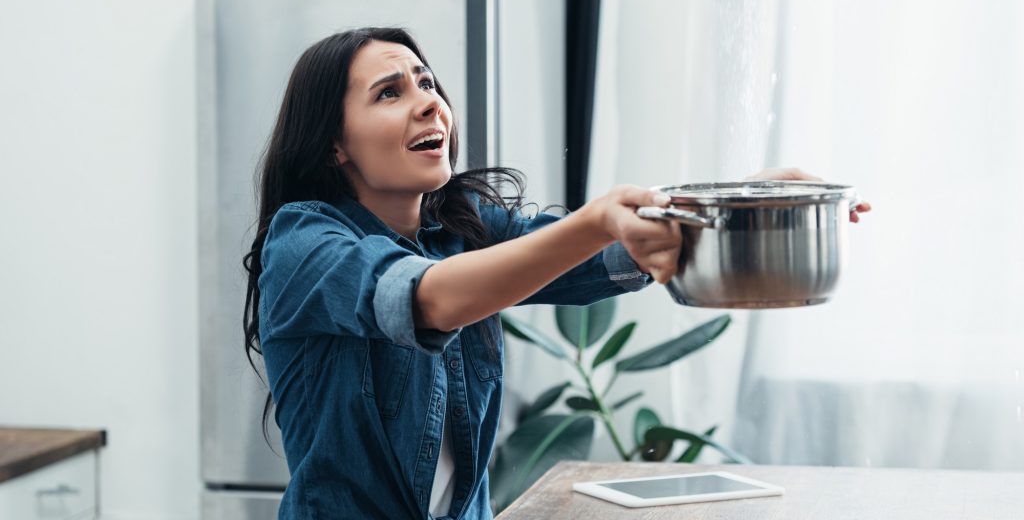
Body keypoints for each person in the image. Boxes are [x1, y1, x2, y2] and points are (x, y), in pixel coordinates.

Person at [242, 27, 869, 520]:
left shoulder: (461, 232)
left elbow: (607, 251)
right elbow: (426, 300)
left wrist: (756, 198)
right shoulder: (302, 243)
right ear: (334, 145)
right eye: (390, 92)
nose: (428, 102)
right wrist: (599, 221)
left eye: (427, 83)